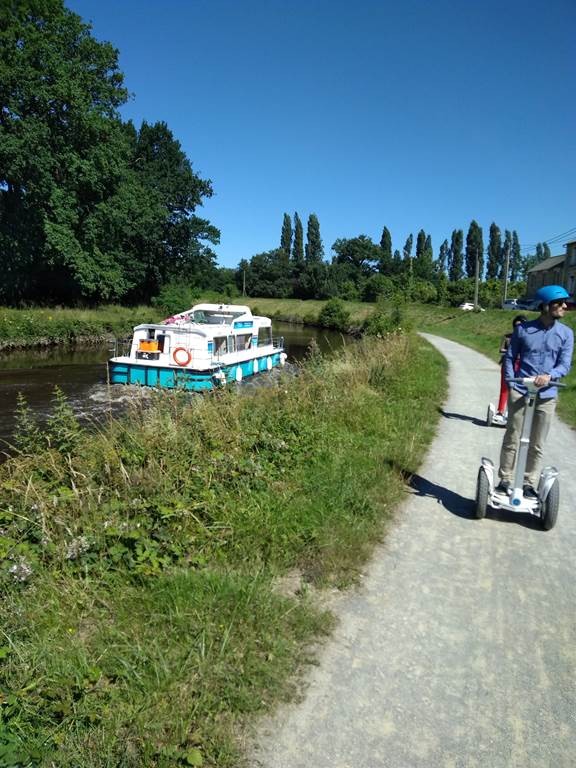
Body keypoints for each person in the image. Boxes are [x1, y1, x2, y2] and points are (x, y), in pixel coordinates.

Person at [497, 285, 574, 497]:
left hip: (547, 394)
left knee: (537, 442)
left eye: (564, 303)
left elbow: (565, 364)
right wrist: (512, 384)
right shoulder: (523, 330)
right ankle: (505, 480)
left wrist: (550, 375)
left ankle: (529, 483)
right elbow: (511, 357)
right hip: (521, 390)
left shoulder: (566, 334)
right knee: (512, 437)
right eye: (559, 303)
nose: (564, 306)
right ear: (546, 305)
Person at [492, 314, 527, 425]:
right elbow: (501, 349)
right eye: (516, 326)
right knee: (505, 388)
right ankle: (500, 411)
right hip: (508, 363)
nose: (518, 328)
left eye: (521, 326)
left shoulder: (527, 338)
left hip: (521, 365)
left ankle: (515, 412)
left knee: (519, 389)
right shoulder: (507, 337)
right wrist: (509, 352)